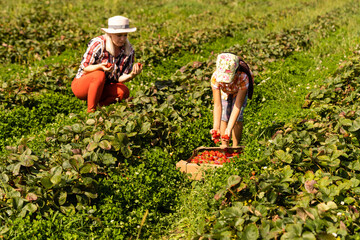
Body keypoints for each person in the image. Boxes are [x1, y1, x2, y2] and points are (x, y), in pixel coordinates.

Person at [72, 16, 142, 113]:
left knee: (124, 91)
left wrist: (132, 75)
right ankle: (91, 111)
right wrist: (99, 67)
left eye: (125, 35)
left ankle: (99, 106)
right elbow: (85, 68)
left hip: (103, 87)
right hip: (82, 85)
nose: (122, 39)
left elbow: (119, 79)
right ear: (110, 34)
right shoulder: (98, 44)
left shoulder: (128, 50)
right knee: (99, 74)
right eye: (119, 35)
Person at [210, 52, 254, 147]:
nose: (225, 82)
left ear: (236, 71)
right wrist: (216, 127)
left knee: (238, 118)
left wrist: (229, 128)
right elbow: (217, 105)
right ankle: (224, 145)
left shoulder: (243, 77)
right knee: (224, 116)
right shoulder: (215, 79)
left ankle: (235, 146)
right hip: (225, 92)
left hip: (238, 91)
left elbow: (237, 106)